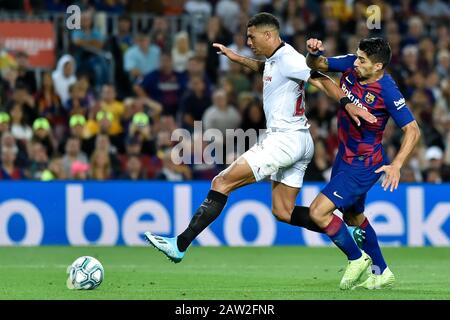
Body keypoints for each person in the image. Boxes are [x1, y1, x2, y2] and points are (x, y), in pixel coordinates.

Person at [144, 13, 376, 288]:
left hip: (284, 141)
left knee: (222, 181)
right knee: (283, 211)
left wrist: (348, 104)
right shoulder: (276, 59)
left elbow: (321, 79)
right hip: (300, 140)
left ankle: (180, 244)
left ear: (269, 35)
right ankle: (351, 241)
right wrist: (237, 58)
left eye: (252, 37)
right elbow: (267, 69)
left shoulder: (289, 57)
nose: (248, 42)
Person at [291, 37, 421, 289]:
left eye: (363, 60)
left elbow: (413, 130)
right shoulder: (351, 64)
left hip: (364, 163)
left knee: (319, 211)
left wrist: (397, 165)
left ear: (378, 66)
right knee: (353, 216)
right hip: (344, 157)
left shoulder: (388, 91)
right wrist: (311, 53)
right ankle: (381, 271)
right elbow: (316, 65)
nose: (356, 62)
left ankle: (357, 258)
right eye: (357, 56)